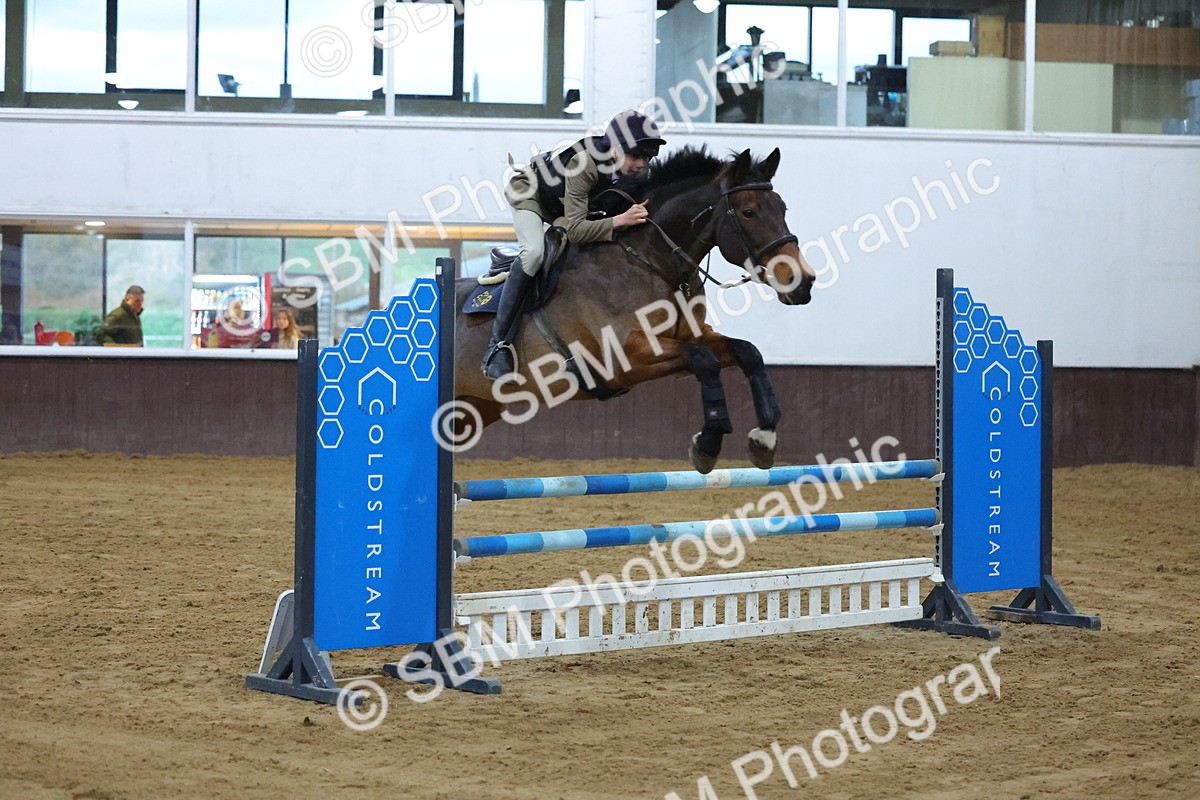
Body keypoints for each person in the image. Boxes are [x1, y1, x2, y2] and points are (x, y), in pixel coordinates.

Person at [482, 109, 667, 380]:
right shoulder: (584, 164)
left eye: (647, 157)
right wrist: (619, 220)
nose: (641, 164)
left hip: (567, 210)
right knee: (534, 255)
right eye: (635, 155)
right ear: (614, 149)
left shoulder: (638, 175)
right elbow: (576, 229)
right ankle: (497, 348)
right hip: (533, 196)